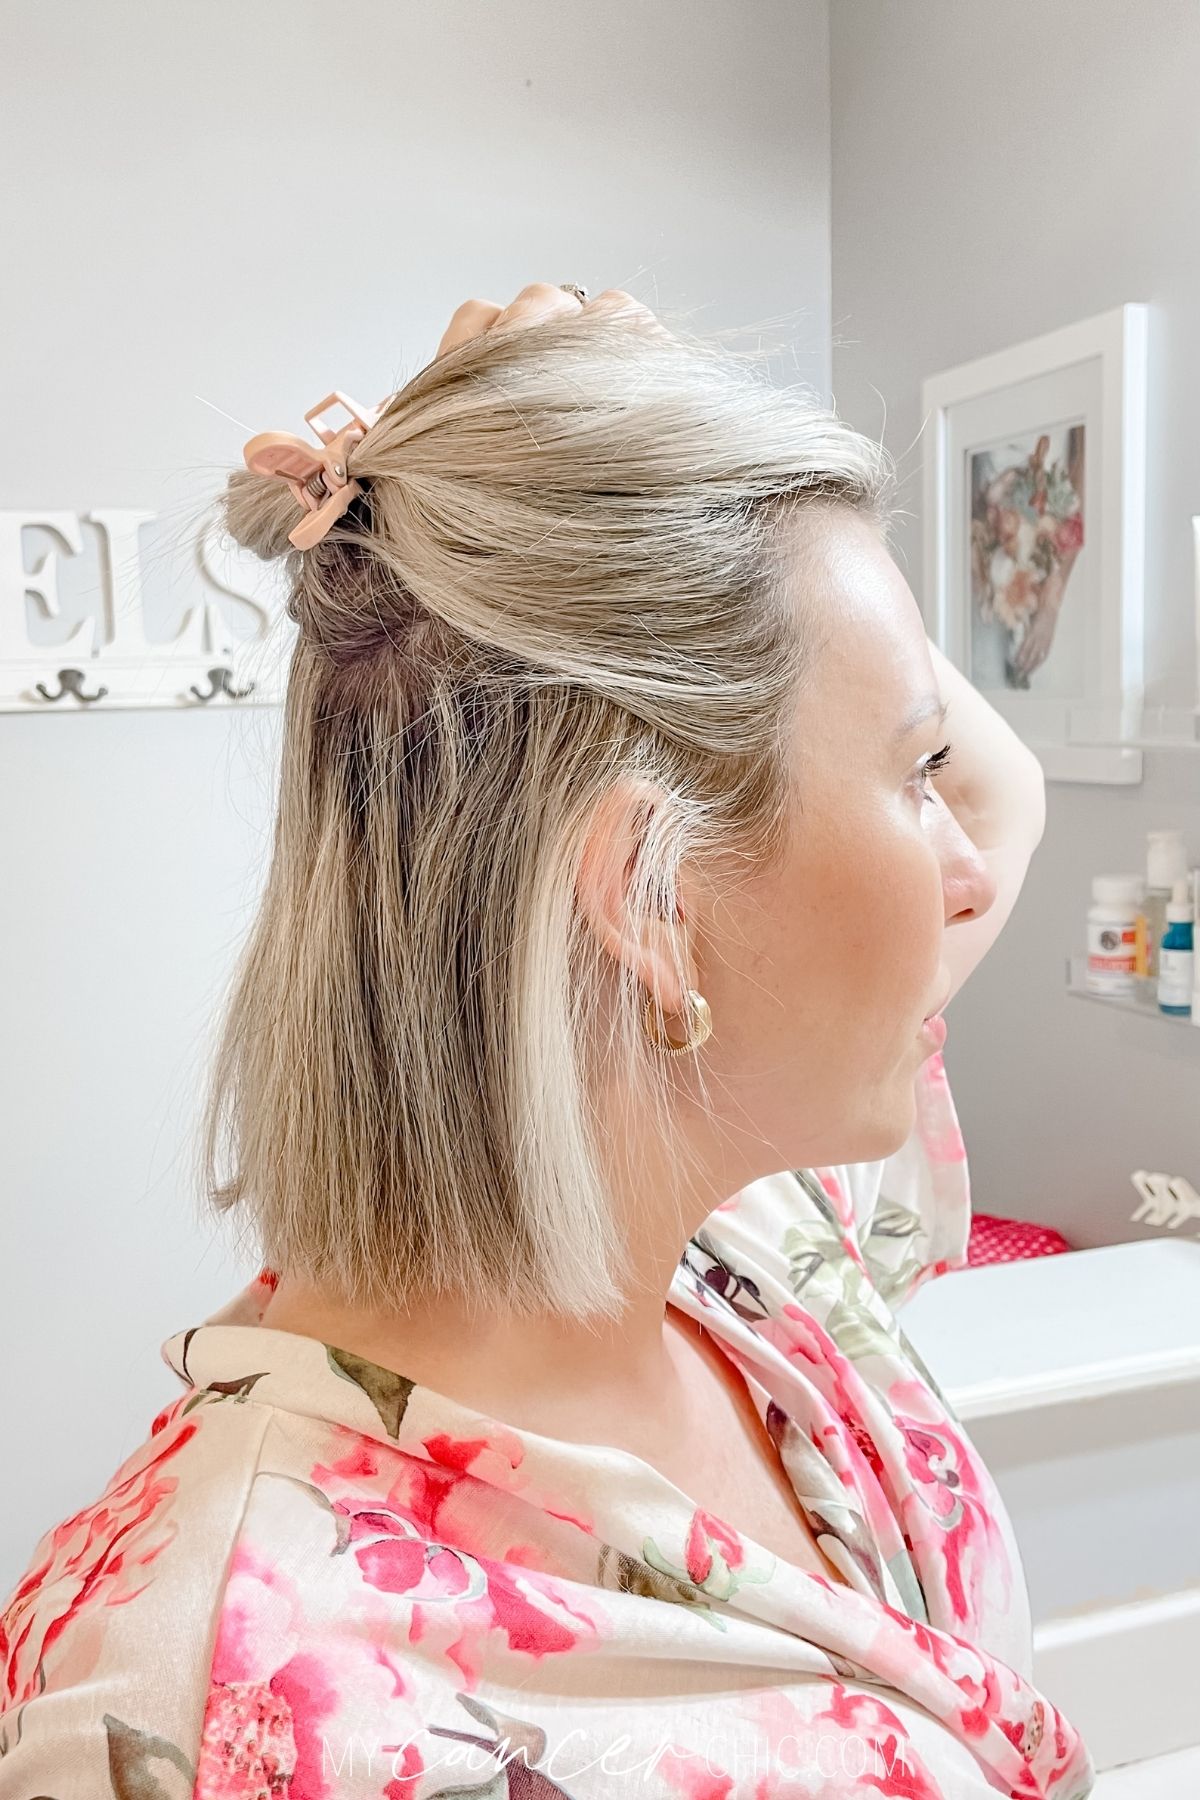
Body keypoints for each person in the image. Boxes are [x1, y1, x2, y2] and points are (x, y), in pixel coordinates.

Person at [0, 284, 1095, 1798]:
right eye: (914, 770)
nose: (961, 863)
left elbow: (1005, 806)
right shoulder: (217, 1713)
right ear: (650, 901)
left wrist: (657, 435)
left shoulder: (760, 1245)